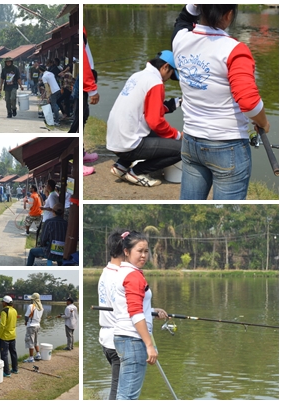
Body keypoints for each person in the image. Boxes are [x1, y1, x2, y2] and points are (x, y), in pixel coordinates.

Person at [172, 5, 270, 200]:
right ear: (228, 15)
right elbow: (249, 103)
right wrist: (264, 123)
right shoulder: (234, 49)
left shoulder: (180, 39)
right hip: (228, 146)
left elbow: (182, 19)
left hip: (191, 142)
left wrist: (195, 6)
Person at [106, 51, 182, 188]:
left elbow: (146, 108)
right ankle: (136, 172)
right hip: (128, 144)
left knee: (152, 133)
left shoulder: (138, 76)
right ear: (165, 67)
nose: (168, 79)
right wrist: (177, 135)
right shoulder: (156, 82)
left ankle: (121, 165)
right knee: (182, 149)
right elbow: (155, 121)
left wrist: (174, 103)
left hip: (115, 138)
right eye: (171, 75)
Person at [113, 231, 168, 400]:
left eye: (146, 251)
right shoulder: (133, 276)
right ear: (127, 251)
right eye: (140, 251)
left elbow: (130, 306)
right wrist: (149, 345)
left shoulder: (122, 272)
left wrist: (150, 311)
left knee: (124, 394)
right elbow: (135, 313)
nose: (144, 255)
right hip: (133, 340)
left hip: (124, 337)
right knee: (128, 397)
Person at [98, 229, 125, 400]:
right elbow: (128, 310)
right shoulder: (121, 275)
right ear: (126, 250)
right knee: (118, 390)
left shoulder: (106, 271)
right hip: (119, 341)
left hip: (106, 340)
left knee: (118, 387)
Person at [83, 27, 100, 175]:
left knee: (83, 116)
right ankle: (78, 159)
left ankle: (81, 153)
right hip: (84, 83)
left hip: (85, 82)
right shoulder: (80, 30)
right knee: (80, 118)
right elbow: (83, 62)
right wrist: (92, 89)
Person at [0, 296, 18, 377]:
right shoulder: (14, 310)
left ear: (5, 302)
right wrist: (0, 319)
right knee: (13, 353)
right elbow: (9, 321)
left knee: (4, 354)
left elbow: (2, 325)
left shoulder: (4, 311)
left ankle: (7, 372)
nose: (1, 303)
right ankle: (15, 369)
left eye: (2, 302)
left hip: (5, 337)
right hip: (13, 335)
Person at [23, 293, 44, 363]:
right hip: (37, 325)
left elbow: (26, 316)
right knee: (36, 340)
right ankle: (38, 354)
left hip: (31, 325)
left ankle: (31, 357)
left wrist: (26, 322)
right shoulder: (41, 307)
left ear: (33, 300)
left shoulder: (31, 306)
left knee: (30, 341)